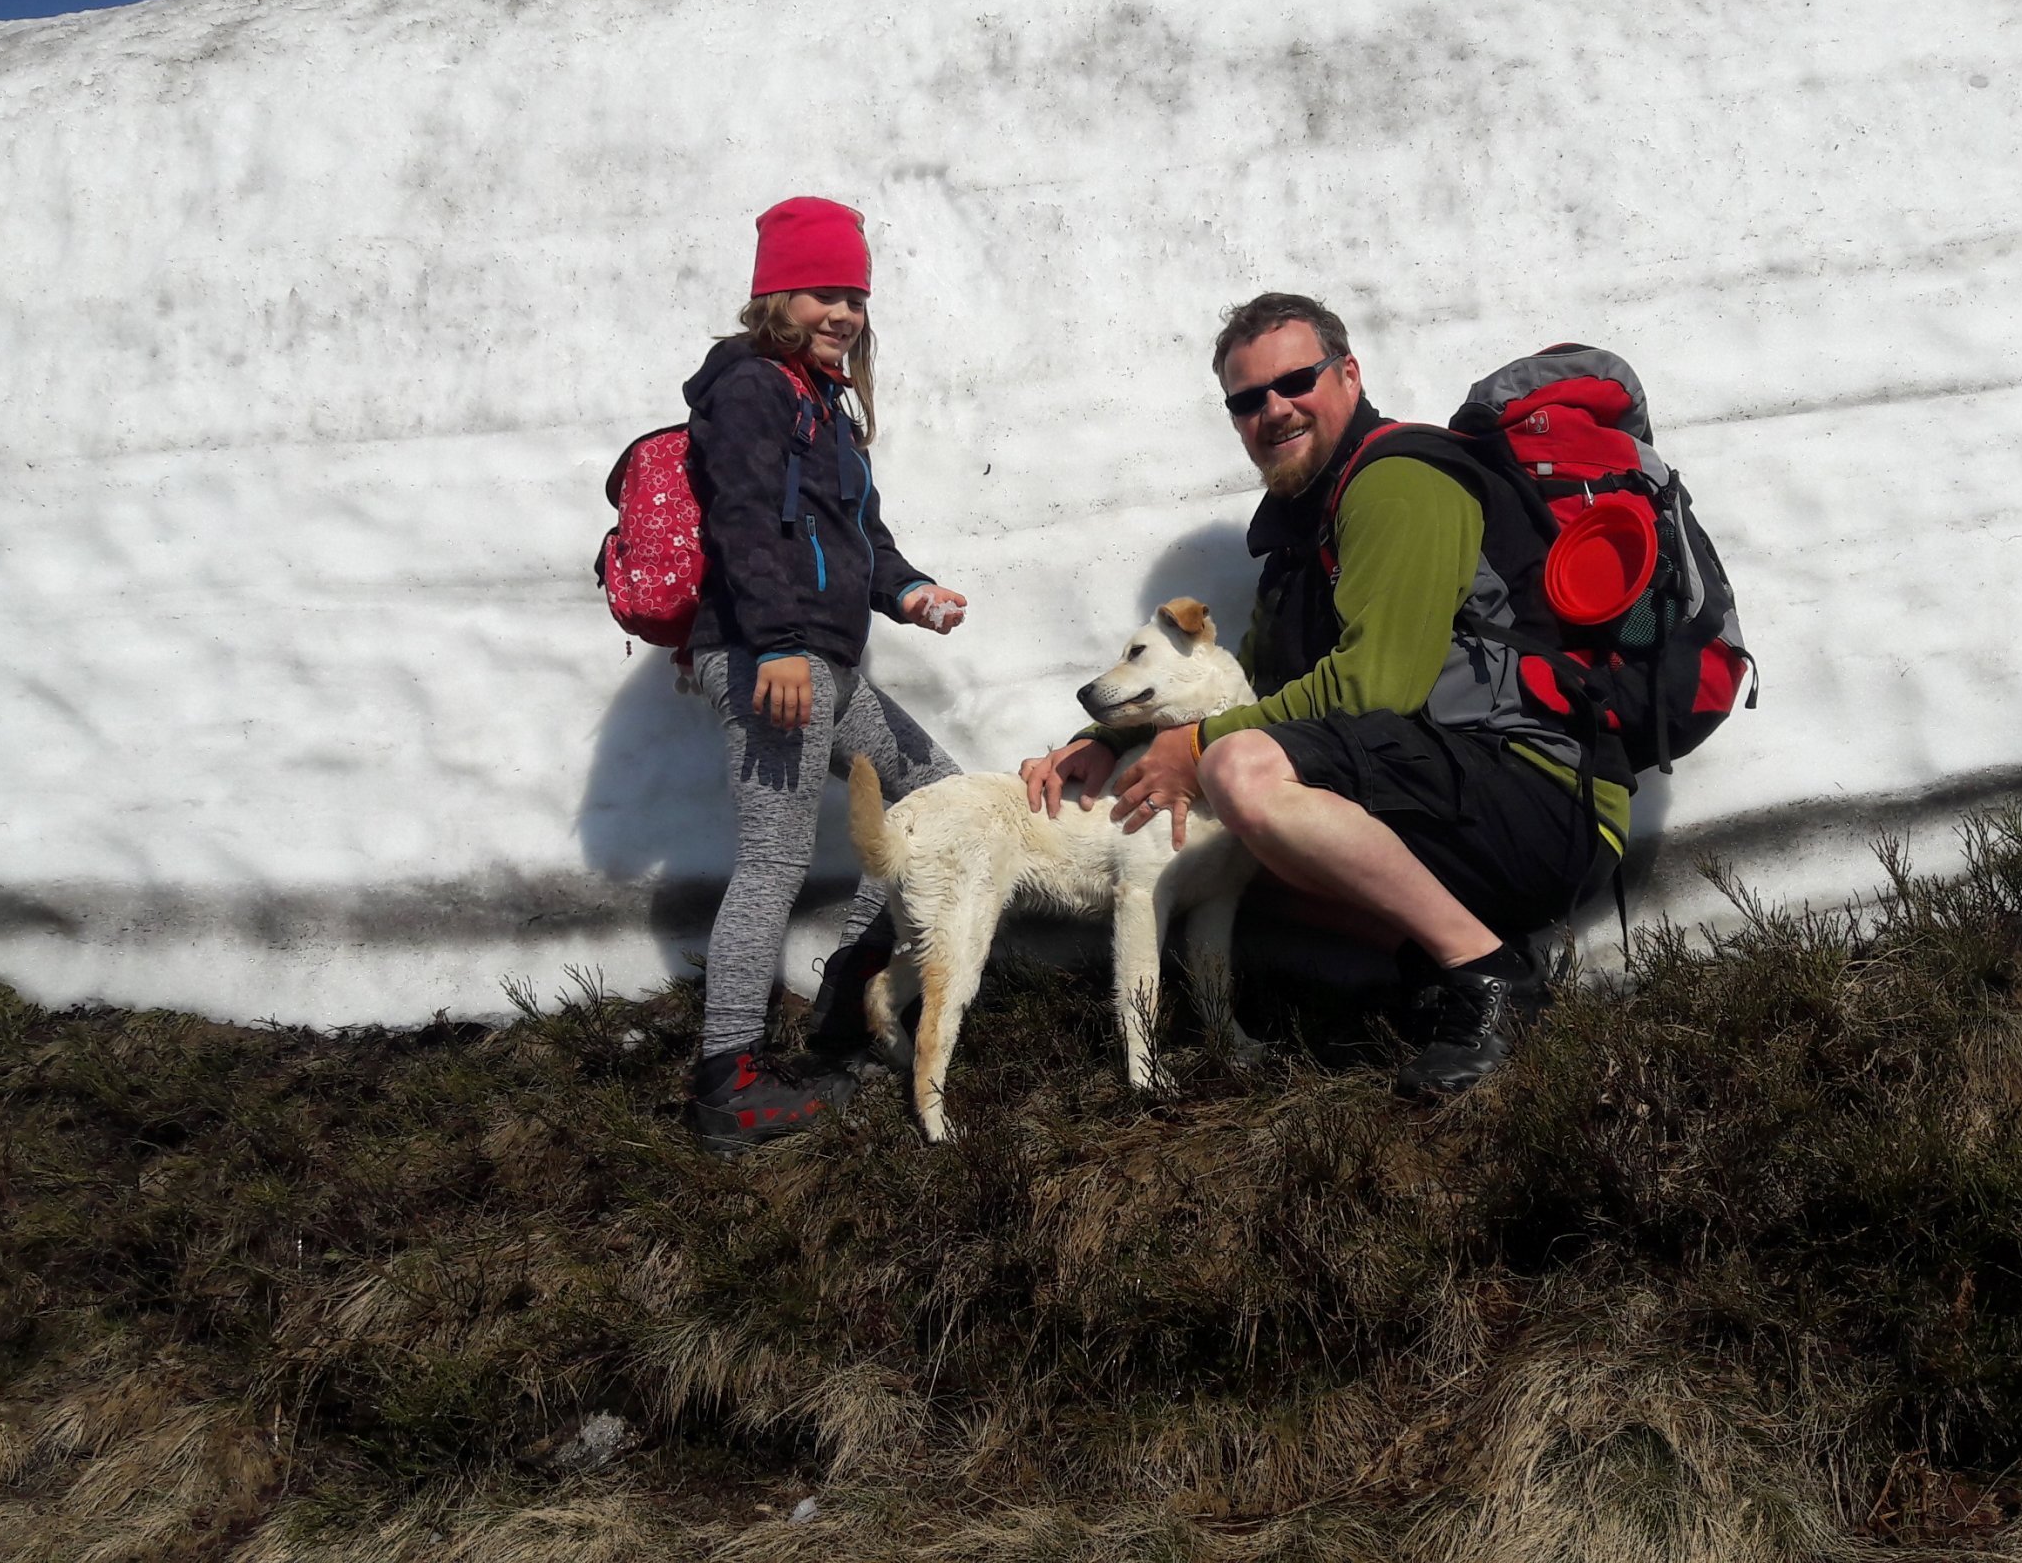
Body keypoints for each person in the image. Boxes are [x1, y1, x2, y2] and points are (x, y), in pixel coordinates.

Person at [1018, 293, 1629, 1097]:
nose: (1273, 409)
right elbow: (1248, 691)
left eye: (1295, 380)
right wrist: (1112, 739)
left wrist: (1196, 751)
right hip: (1451, 793)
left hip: (1545, 796)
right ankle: (1451, 960)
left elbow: (1378, 684)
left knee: (1239, 774)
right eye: (1247, 400)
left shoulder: (1399, 482)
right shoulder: (1307, 527)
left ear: (1348, 373)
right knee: (1208, 836)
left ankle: (1492, 982)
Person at [680, 196, 969, 1152]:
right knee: (773, 860)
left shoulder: (824, 402)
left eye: (853, 295)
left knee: (929, 792)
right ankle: (728, 1080)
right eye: (819, 292)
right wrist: (774, 645)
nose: (841, 312)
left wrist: (911, 591)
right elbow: (744, 524)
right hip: (775, 662)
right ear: (774, 298)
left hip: (824, 664)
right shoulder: (753, 389)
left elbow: (860, 542)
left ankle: (848, 987)